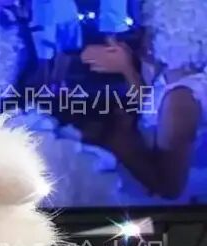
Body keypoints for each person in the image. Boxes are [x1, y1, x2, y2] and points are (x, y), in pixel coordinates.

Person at [81, 1, 207, 201]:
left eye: (151, 31)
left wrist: (120, 141)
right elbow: (152, 109)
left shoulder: (181, 99)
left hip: (154, 206)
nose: (143, 40)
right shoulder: (172, 76)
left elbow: (170, 188)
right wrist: (127, 69)